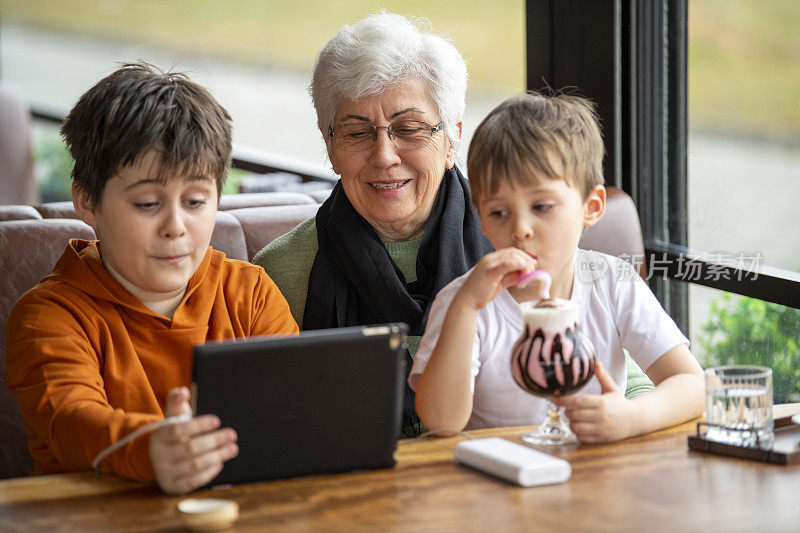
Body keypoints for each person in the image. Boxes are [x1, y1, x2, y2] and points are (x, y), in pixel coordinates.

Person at [5, 63, 298, 494]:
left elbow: (294, 412)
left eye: (196, 201)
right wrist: (152, 448)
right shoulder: (48, 316)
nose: (176, 226)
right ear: (86, 200)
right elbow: (72, 420)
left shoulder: (249, 293)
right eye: (146, 203)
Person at [410, 92, 704, 441]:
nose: (520, 228)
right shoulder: (463, 301)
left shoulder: (612, 281)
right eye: (498, 212)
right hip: (497, 481)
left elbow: (693, 385)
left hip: (593, 474)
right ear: (482, 222)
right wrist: (465, 308)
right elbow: (440, 422)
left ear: (591, 207)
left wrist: (634, 417)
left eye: (542, 206)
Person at [252, 12, 493, 437]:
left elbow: (627, 384)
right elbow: (270, 428)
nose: (384, 155)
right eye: (357, 132)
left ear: (453, 138)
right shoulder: (280, 274)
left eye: (409, 128)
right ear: (330, 146)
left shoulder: (516, 246)